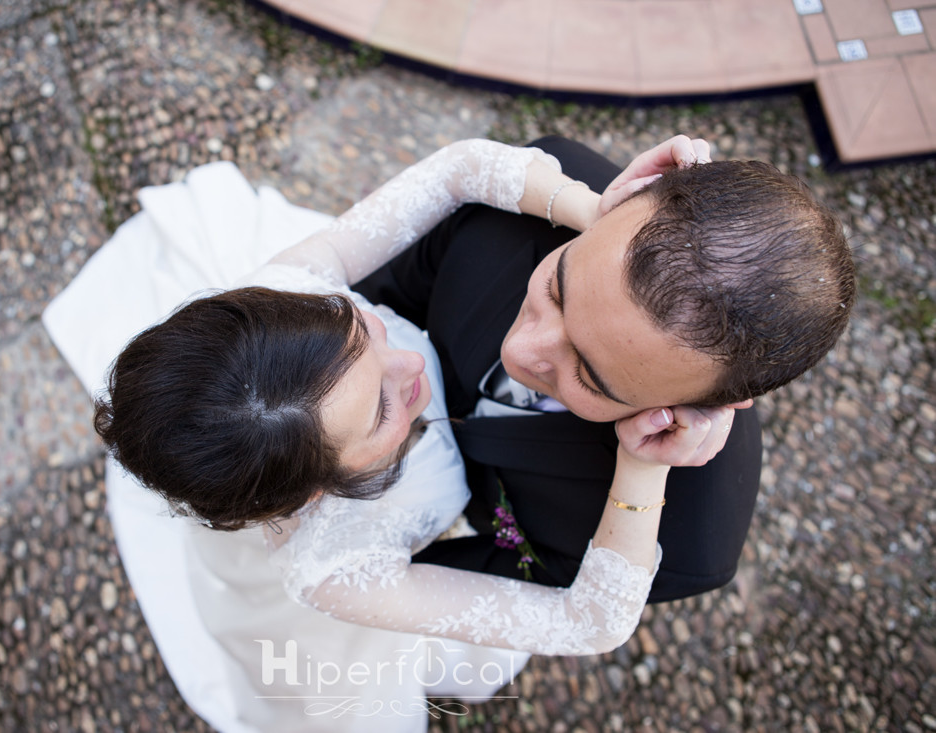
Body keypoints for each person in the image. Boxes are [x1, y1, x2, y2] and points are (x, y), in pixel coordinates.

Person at [43, 136, 741, 732]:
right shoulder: (335, 573)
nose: (412, 363)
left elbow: (457, 169)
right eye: (380, 408)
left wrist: (600, 220)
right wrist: (644, 464)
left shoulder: (290, 283)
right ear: (315, 494)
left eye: (361, 329)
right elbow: (591, 620)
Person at [353, 135, 855, 600]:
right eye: (557, 288)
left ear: (709, 403)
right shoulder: (528, 185)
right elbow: (381, 294)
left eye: (591, 377)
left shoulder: (682, 548)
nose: (521, 353)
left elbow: (452, 592)